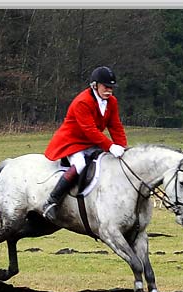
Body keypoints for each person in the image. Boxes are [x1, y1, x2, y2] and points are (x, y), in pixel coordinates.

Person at [42, 66, 128, 222]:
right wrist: (110, 146)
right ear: (95, 85)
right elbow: (90, 130)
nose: (109, 91)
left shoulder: (112, 102)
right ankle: (52, 201)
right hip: (72, 141)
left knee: (107, 162)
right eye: (106, 87)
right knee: (81, 164)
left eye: (111, 88)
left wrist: (122, 147)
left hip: (92, 142)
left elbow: (115, 125)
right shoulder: (83, 101)